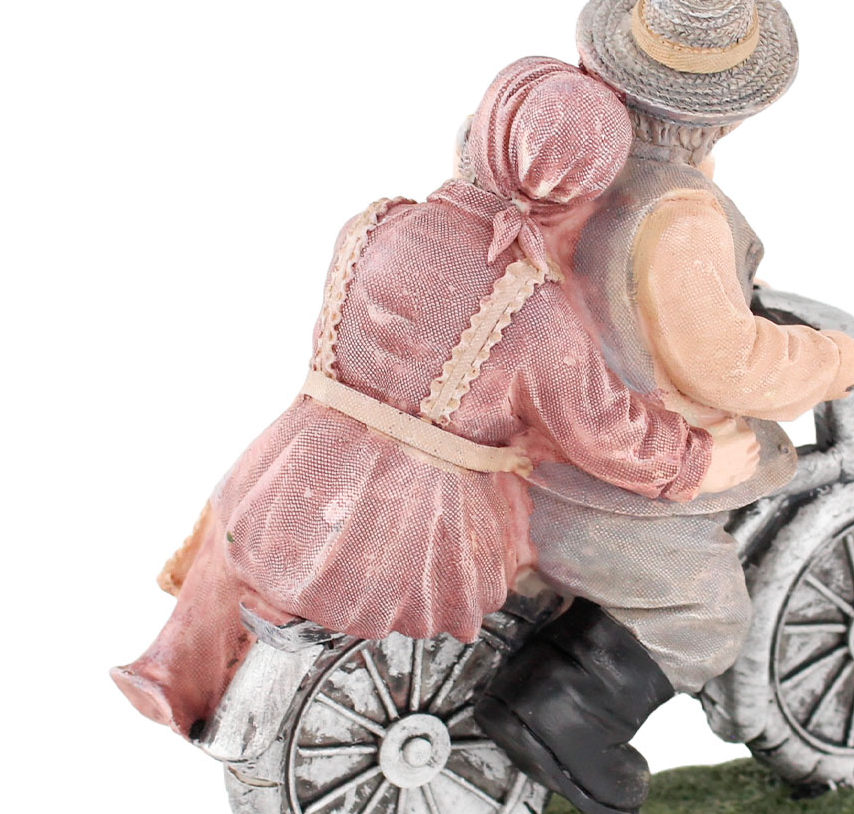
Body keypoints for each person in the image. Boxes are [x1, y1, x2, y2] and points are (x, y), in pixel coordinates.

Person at [111, 56, 758, 740]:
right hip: (414, 504)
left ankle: (172, 668)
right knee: (511, 575)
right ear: (582, 193)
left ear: (478, 136)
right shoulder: (535, 310)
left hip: (302, 450)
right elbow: (602, 429)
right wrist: (696, 461)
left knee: (241, 533)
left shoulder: (375, 226)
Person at [475, 0, 854, 814]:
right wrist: (849, 358)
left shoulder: (562, 160)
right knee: (706, 611)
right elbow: (735, 367)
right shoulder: (674, 214)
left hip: (523, 435)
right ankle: (559, 712)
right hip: (607, 476)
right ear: (732, 111)